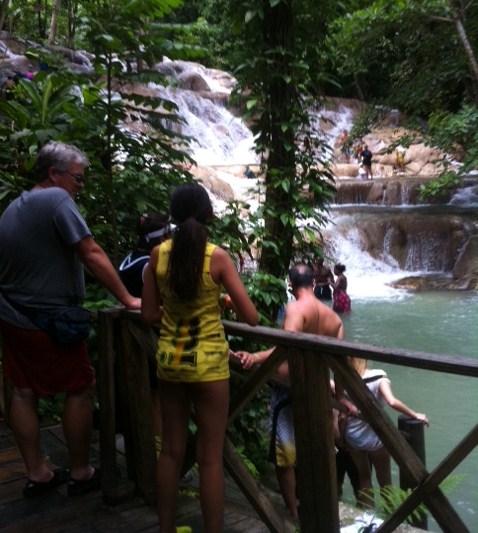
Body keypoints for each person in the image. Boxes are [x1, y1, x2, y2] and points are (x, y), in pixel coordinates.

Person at [0, 141, 141, 498]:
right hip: (47, 319)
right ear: (54, 173)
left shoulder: (16, 205)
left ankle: (38, 472)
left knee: (23, 390)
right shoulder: (56, 200)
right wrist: (127, 299)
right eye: (78, 179)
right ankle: (81, 472)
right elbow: (90, 251)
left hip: (13, 313)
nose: (81, 186)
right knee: (80, 386)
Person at [141, 183, 258, 533]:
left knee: (171, 452)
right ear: (208, 213)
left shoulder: (158, 255)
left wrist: (177, 314)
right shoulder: (216, 257)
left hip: (170, 363)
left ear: (173, 215)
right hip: (209, 366)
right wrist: (217, 303)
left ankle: (165, 528)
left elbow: (148, 315)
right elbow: (250, 317)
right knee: (209, 458)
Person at [235, 264, 344, 520]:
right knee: (316, 449)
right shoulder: (335, 319)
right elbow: (340, 365)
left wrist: (256, 357)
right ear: (315, 284)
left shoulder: (295, 308)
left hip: (289, 391)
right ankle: (321, 511)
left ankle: (293, 514)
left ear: (290, 284)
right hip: (318, 393)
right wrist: (340, 398)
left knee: (285, 456)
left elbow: (286, 349)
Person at [339, 357, 429, 508]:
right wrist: (415, 414)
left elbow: (342, 413)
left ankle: (367, 516)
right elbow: (392, 401)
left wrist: (342, 437)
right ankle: (390, 518)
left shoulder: (344, 377)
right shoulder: (379, 375)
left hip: (353, 435)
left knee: (364, 478)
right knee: (385, 483)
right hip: (375, 436)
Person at [119, 213, 174, 457]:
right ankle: (160, 454)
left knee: (150, 396)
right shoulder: (147, 266)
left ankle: (151, 450)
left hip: (135, 337)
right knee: (158, 399)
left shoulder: (130, 258)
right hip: (150, 338)